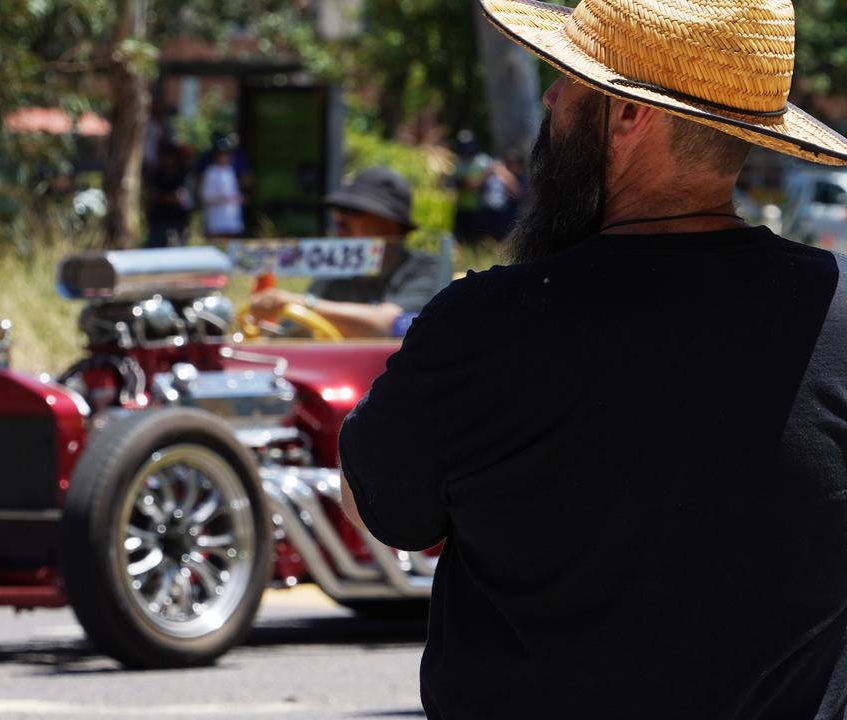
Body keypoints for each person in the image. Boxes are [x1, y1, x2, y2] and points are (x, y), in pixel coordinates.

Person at [339, 0, 847, 717]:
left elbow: (379, 508)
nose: (549, 97)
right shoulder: (838, 315)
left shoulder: (486, 326)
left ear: (628, 116)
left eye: (568, 80)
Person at [248, 167, 444, 338]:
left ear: (388, 225)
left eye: (352, 210)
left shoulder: (425, 268)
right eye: (338, 209)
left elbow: (387, 325)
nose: (339, 219)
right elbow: (295, 329)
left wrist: (298, 302)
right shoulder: (339, 269)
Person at [144, 140, 191, 248]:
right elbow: (152, 196)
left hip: (178, 218)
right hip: (158, 219)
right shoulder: (156, 174)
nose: (169, 160)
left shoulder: (183, 174)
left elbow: (183, 197)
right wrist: (168, 197)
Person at [200, 139, 244, 238]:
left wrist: (238, 198)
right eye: (222, 154)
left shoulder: (229, 171)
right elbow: (206, 198)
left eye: (227, 154)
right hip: (217, 223)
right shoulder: (211, 172)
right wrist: (225, 199)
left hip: (231, 221)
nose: (225, 157)